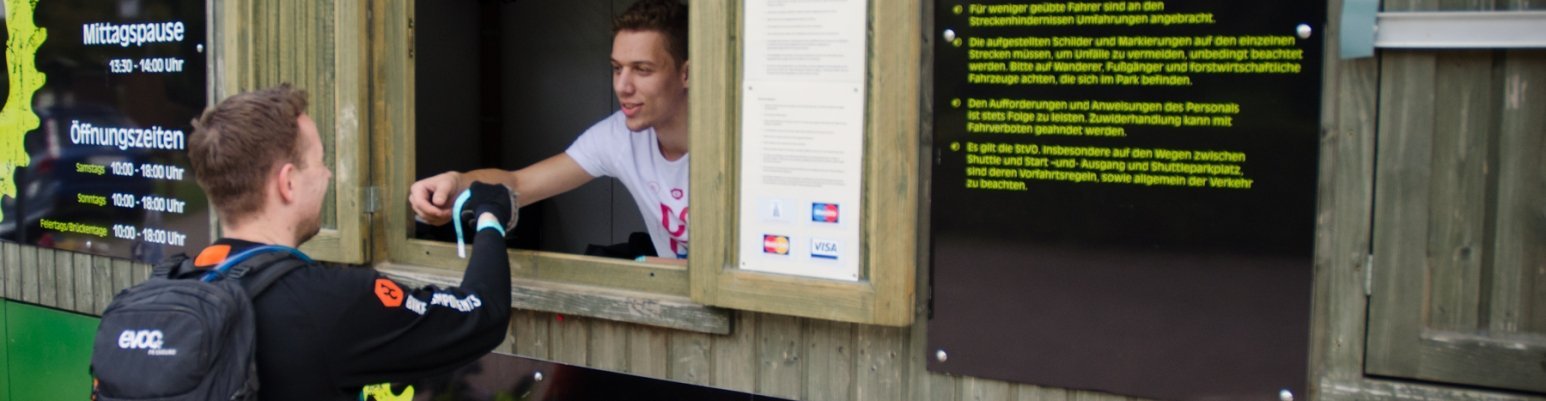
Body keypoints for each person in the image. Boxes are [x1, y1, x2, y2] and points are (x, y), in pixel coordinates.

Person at [186, 84, 513, 400]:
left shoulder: (172, 285)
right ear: (287, 182)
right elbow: (482, 314)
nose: (327, 174)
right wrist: (489, 215)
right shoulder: (333, 301)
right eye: (319, 161)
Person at [410, 0, 690, 261]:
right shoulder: (620, 136)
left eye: (642, 70)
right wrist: (458, 184)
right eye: (617, 68)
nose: (622, 86)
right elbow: (519, 185)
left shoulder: (731, 144)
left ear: (686, 73)